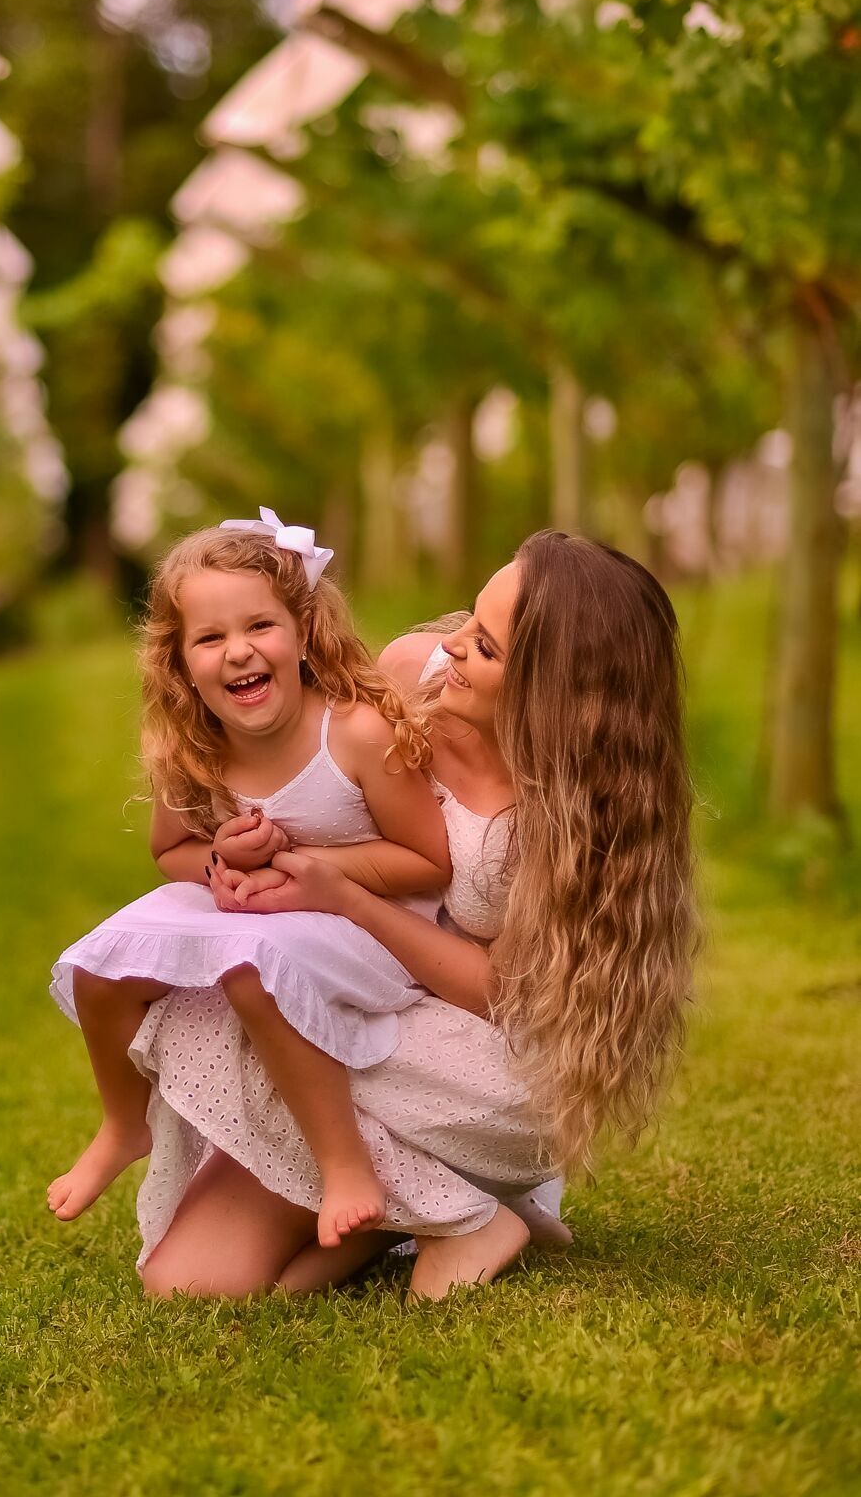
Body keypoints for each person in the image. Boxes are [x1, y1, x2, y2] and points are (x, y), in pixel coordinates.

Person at [130, 530, 698, 1301]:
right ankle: (406, 1212)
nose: (453, 644)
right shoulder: (410, 674)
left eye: (486, 647)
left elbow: (505, 994)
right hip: (355, 1002)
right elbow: (295, 760)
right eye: (471, 617)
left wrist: (344, 899)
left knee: (251, 1003)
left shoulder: (572, 816)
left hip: (481, 1075)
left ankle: (467, 1208)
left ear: (553, 690)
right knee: (184, 1282)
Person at [47, 511, 452, 1248]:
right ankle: (120, 1124)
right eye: (209, 638)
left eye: (259, 627)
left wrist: (307, 869)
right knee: (100, 964)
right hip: (260, 910)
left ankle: (345, 1166)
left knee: (249, 971)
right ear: (179, 662)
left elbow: (428, 862)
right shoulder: (192, 749)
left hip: (367, 923)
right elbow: (171, 853)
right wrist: (220, 860)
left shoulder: (354, 733)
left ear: (301, 631)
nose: (238, 653)